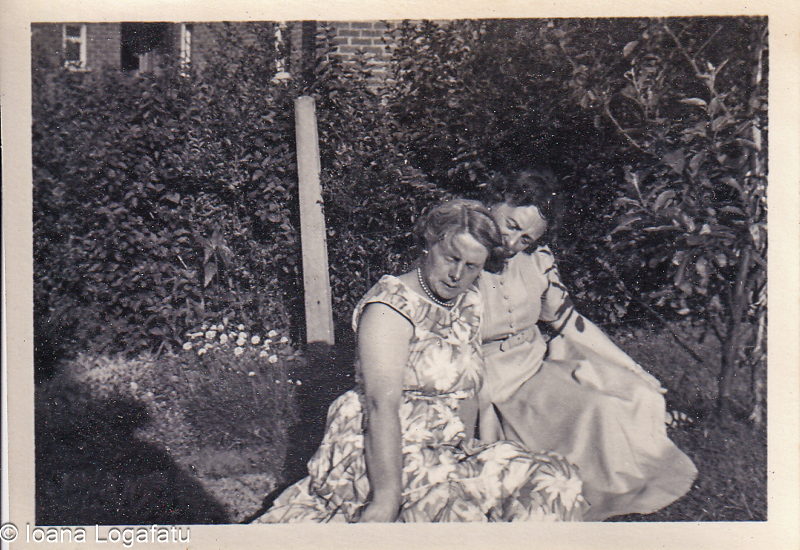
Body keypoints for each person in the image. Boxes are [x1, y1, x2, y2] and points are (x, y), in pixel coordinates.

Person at [253, 199, 587, 523]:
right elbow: (379, 406)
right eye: (451, 258)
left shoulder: (468, 301)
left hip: (444, 447)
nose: (457, 274)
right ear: (429, 245)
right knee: (456, 507)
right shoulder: (390, 306)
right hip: (384, 449)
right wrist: (386, 499)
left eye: (471, 266)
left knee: (556, 477)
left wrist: (470, 450)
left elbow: (466, 390)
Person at [476, 170, 698, 521]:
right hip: (488, 386)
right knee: (595, 413)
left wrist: (635, 369)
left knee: (609, 404)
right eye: (511, 224)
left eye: (525, 238)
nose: (512, 240)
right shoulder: (458, 255)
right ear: (495, 202)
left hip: (534, 370)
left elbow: (568, 322)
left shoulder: (535, 259)